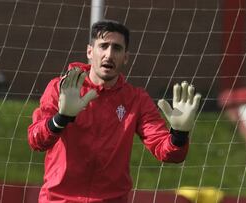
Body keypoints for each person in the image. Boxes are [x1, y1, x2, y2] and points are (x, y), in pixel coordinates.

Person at [28, 19, 201, 203]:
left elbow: (167, 151)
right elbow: (35, 140)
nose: (109, 55)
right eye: (103, 46)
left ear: (126, 57)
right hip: (58, 200)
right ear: (90, 51)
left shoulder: (136, 100)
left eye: (117, 48)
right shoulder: (60, 88)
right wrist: (61, 118)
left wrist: (179, 135)